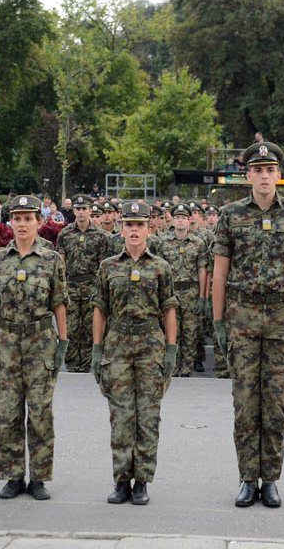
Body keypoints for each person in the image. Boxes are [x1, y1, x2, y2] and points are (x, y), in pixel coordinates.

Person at [212, 141, 284, 508]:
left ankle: (270, 479)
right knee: (244, 401)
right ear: (248, 175)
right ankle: (246, 477)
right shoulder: (231, 216)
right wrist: (219, 319)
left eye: (271, 170)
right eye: (258, 170)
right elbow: (220, 271)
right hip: (242, 316)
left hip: (282, 318)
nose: (265, 176)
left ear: (279, 175)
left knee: (275, 403)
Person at [0, 195, 68, 500]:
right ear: (10, 222)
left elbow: (58, 302)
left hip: (41, 341)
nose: (21, 224)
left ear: (39, 222)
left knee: (41, 412)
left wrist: (63, 341)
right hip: (6, 341)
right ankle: (13, 475)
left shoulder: (51, 260)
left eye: (27, 218)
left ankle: (39, 477)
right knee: (7, 412)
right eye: (16, 218)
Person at [91, 202, 178, 505]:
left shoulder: (161, 267)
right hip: (117, 346)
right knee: (121, 417)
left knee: (148, 417)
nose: (134, 230)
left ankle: (142, 481)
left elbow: (169, 310)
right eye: (129, 225)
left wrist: (171, 350)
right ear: (121, 228)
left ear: (149, 229)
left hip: (150, 346)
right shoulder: (108, 266)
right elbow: (100, 308)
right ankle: (121, 481)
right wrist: (97, 349)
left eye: (139, 225)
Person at [55, 195, 112, 373]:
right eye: (78, 209)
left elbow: (103, 265)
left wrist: (102, 290)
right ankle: (72, 364)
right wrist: (60, 286)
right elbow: (61, 263)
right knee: (71, 327)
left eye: (84, 209)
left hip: (91, 285)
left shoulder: (101, 236)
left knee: (89, 327)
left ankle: (87, 363)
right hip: (71, 285)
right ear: (74, 211)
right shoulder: (65, 234)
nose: (81, 212)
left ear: (90, 210)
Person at [155, 203, 208, 377]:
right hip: (171, 292)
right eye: (177, 217)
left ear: (189, 220)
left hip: (191, 292)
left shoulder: (198, 242)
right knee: (171, 330)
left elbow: (202, 270)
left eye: (184, 218)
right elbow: (159, 270)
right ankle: (173, 365)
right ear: (172, 220)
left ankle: (186, 368)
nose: (180, 221)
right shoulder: (163, 242)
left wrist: (202, 296)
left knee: (190, 332)